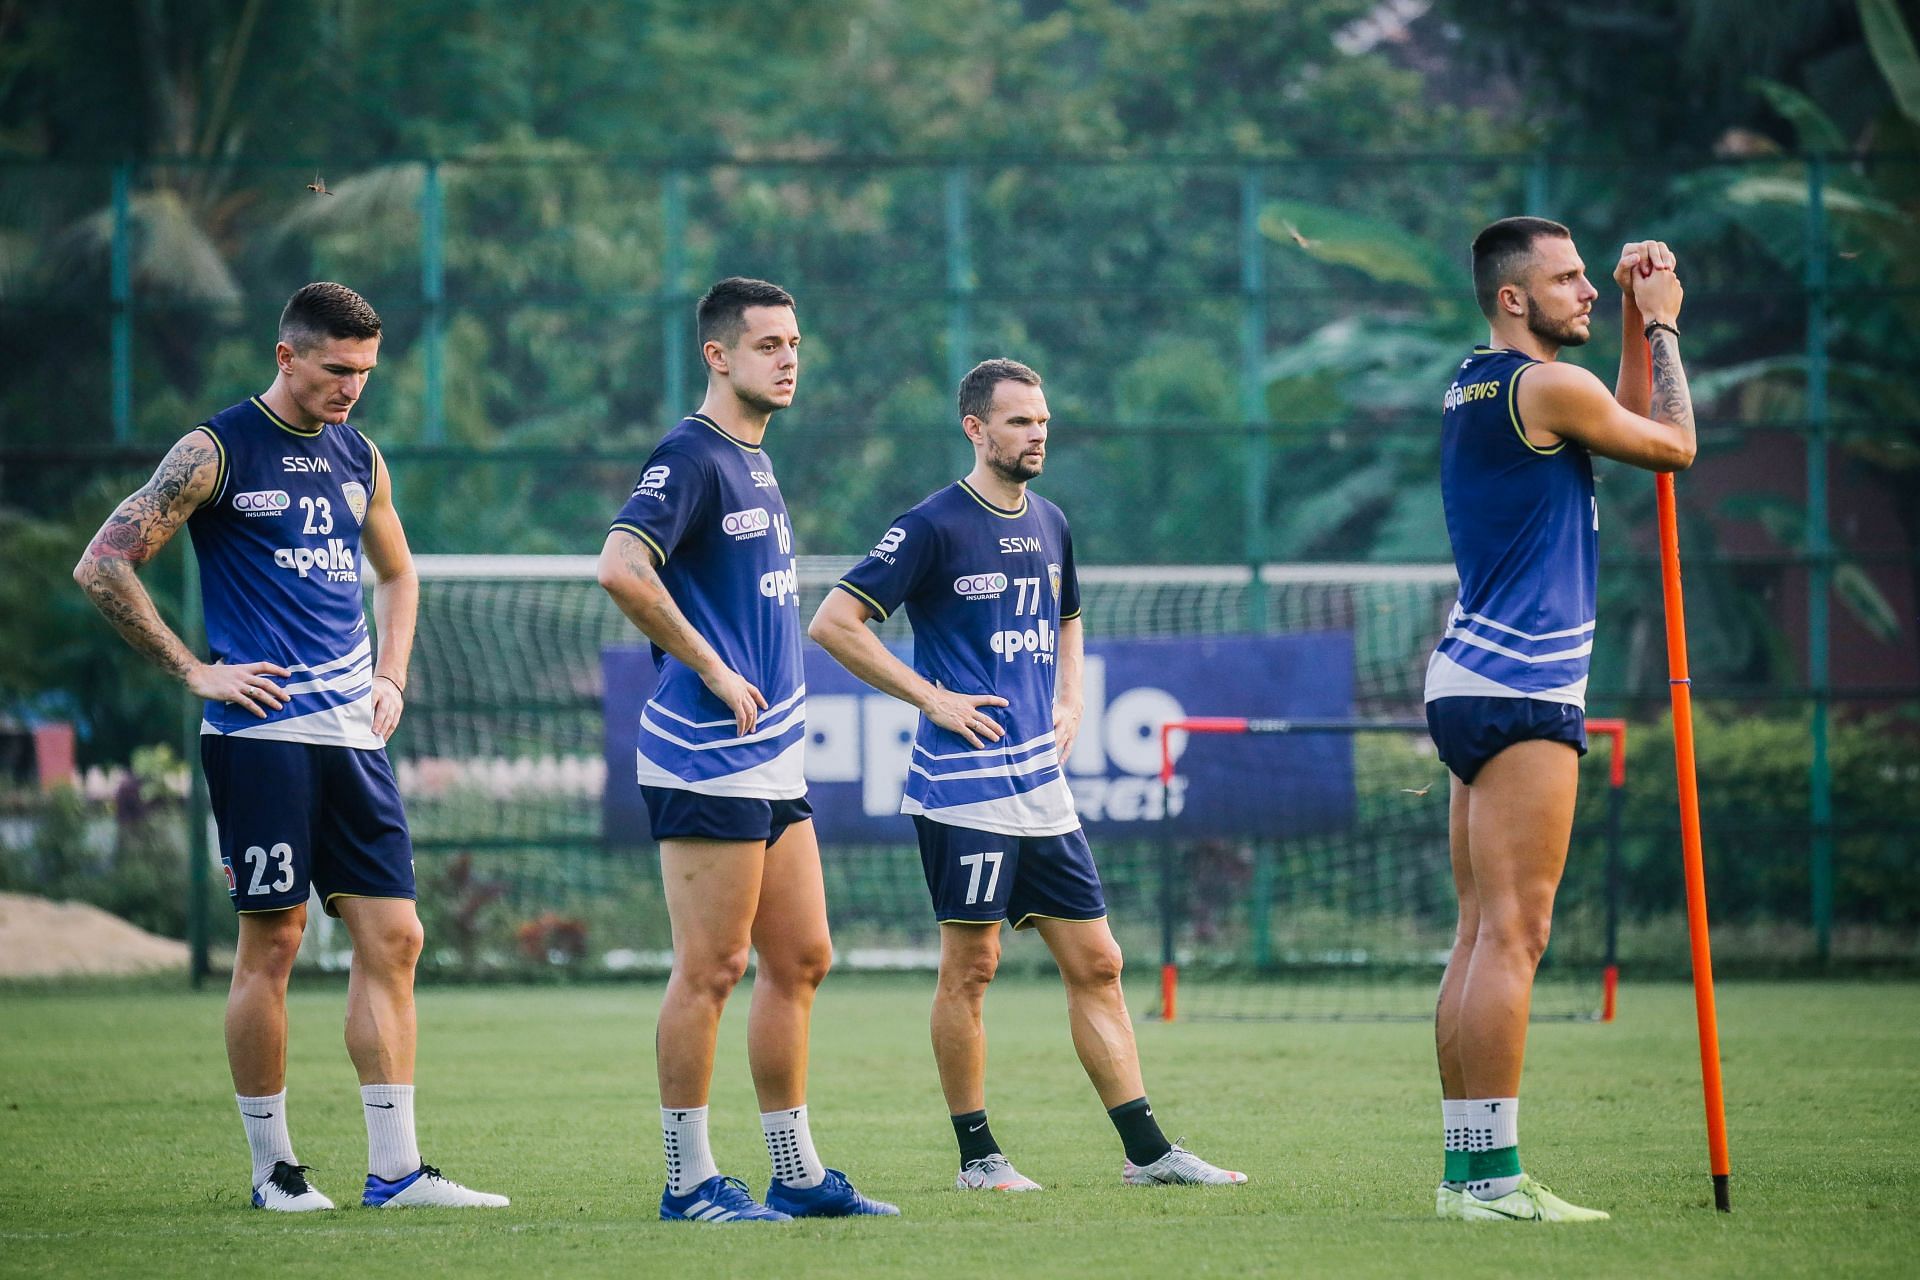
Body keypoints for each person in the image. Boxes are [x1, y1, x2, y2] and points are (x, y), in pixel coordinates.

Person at [72, 282, 506, 1212]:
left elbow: (398, 573)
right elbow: (103, 561)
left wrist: (392, 676)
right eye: (337, 369)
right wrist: (193, 669)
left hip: (354, 738)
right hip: (259, 736)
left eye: (366, 372)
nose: (353, 387)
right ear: (287, 356)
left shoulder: (360, 454)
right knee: (274, 942)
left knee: (396, 937)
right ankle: (274, 1172)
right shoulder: (214, 449)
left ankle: (395, 1172)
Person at [810, 358, 1247, 1193]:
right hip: (960, 787)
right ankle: (979, 1159)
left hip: (1040, 788)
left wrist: (1073, 703)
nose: (1036, 433)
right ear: (976, 429)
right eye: (1018, 421)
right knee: (971, 970)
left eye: (1042, 419)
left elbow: (1070, 617)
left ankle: (1149, 1155)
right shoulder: (932, 525)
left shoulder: (1052, 522)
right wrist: (931, 697)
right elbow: (836, 622)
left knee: (1101, 963)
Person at [596, 277, 896, 1223]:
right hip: (704, 750)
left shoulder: (754, 459)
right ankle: (687, 1183)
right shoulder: (690, 455)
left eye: (795, 342)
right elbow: (619, 566)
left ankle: (795, 1173)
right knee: (712, 969)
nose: (789, 357)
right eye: (768, 344)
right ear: (718, 356)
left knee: (802, 957)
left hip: (769, 758)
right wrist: (716, 671)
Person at [1425, 219, 1695, 1222]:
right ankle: (1495, 1180)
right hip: (1527, 682)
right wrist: (1665, 326)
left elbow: (1615, 417)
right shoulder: (1543, 385)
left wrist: (1628, 317)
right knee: (1517, 934)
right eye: (1568, 278)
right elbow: (1672, 445)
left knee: (1476, 933)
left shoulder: (1483, 380)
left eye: (1590, 277)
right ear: (1511, 297)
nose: (1585, 289)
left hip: (1466, 677)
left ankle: (1467, 1175)